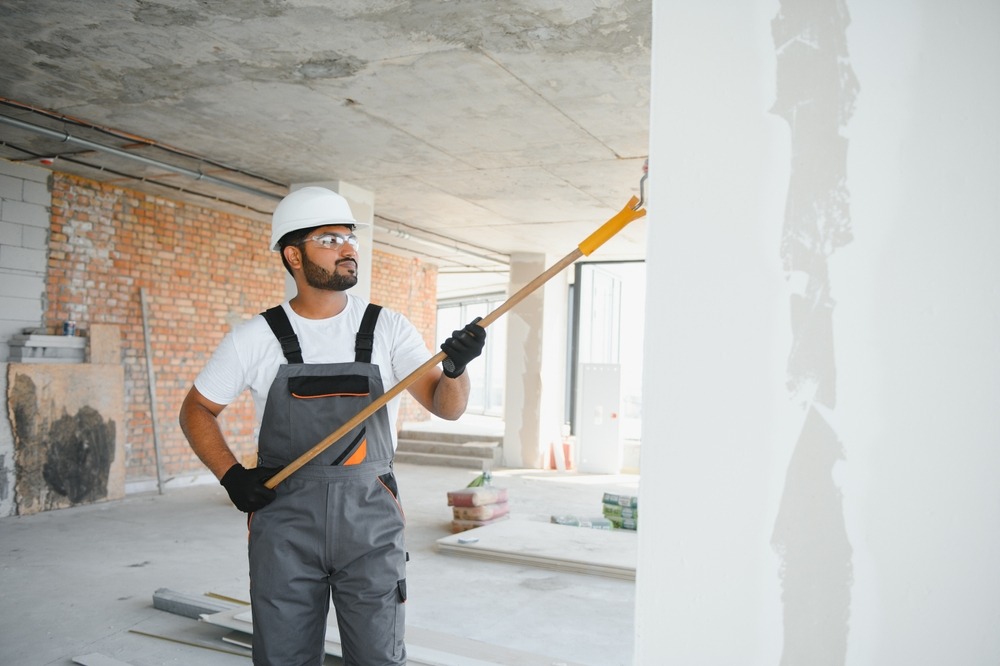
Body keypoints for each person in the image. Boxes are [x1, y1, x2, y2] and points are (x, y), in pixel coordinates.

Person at [178, 186, 485, 665]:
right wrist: (231, 475)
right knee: (283, 656)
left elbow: (447, 408)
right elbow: (196, 409)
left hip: (371, 518)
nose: (348, 248)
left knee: (378, 656)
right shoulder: (256, 338)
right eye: (329, 238)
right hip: (285, 521)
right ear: (293, 255)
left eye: (350, 237)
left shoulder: (388, 328)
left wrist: (456, 369)